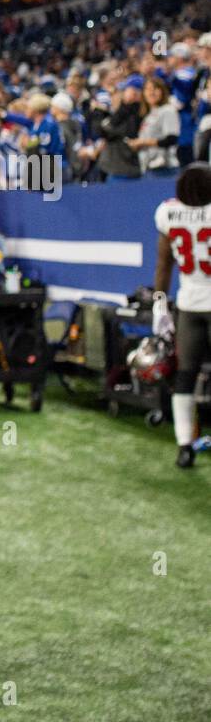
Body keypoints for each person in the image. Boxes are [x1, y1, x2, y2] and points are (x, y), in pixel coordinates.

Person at [154, 162, 211, 468]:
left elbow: (164, 265)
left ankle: (184, 446)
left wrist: (159, 303)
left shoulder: (167, 212)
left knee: (185, 374)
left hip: (188, 304)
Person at [131, 76, 181, 174]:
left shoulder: (168, 110)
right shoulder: (148, 115)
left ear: (162, 91)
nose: (151, 92)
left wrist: (141, 142)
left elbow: (171, 139)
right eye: (148, 89)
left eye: (155, 88)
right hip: (149, 168)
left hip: (165, 169)